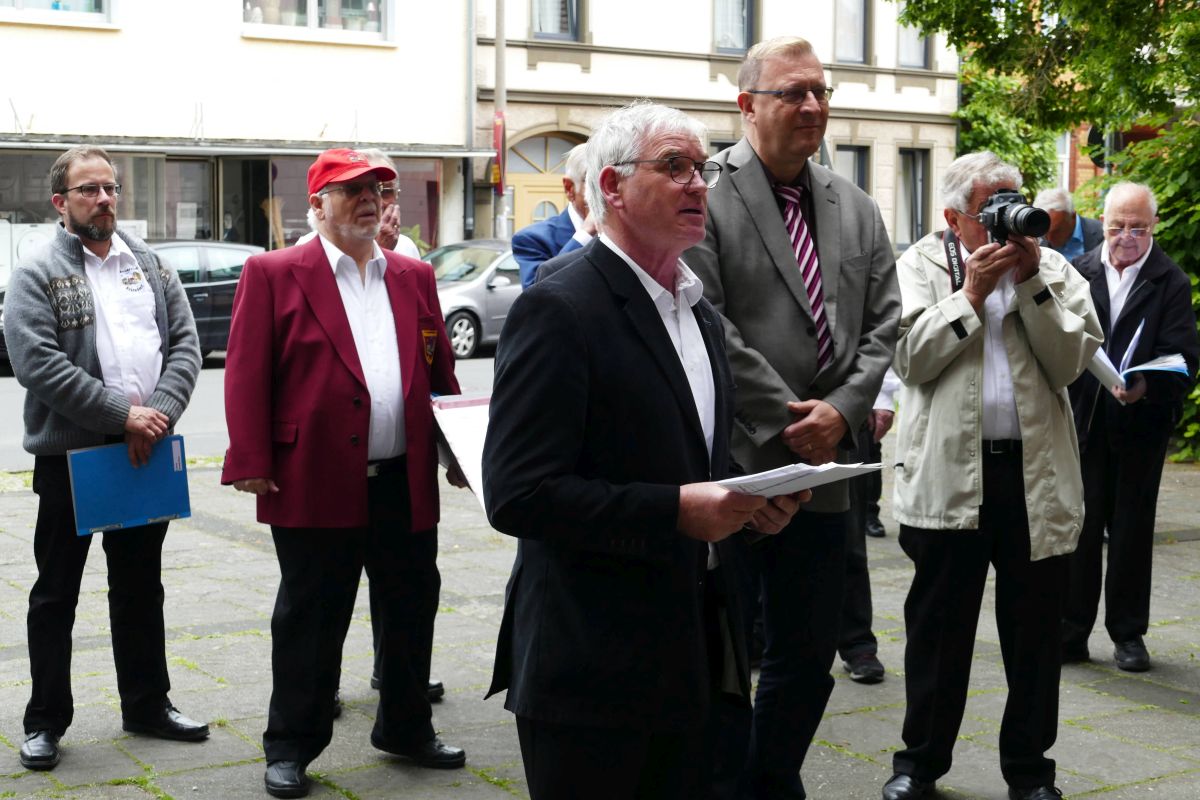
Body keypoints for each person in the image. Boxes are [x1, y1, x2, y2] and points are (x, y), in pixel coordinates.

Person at [483, 101, 802, 800]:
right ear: (612, 186)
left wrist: (750, 503)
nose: (697, 185)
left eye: (703, 169)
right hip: (592, 666)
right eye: (674, 166)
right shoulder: (559, 307)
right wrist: (678, 511)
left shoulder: (700, 312)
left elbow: (694, 465)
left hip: (699, 649)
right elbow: (518, 494)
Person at [686, 36, 900, 799]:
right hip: (737, 464)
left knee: (808, 655)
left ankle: (770, 778)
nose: (812, 106)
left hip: (827, 469)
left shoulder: (856, 205)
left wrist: (840, 412)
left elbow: (885, 321)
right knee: (726, 648)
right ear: (747, 105)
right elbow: (706, 318)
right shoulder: (707, 195)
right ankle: (730, 782)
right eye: (793, 92)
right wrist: (788, 418)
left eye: (820, 91)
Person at [221, 148, 464, 799]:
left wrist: (460, 452)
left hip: (403, 477)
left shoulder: (412, 275)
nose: (369, 200)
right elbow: (246, 371)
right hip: (313, 475)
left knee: (411, 606)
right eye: (352, 190)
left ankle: (406, 728)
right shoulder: (275, 272)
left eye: (377, 190)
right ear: (318, 203)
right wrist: (251, 458)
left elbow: (438, 371)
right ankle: (291, 745)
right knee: (310, 616)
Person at [883, 151, 1103, 800]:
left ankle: (1031, 774)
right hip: (950, 477)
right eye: (992, 208)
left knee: (1035, 640)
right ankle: (918, 766)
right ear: (954, 218)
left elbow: (1070, 363)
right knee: (938, 635)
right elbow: (909, 358)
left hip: (1034, 479)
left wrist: (1031, 284)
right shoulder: (919, 266)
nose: (1010, 220)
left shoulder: (1053, 268)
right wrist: (971, 296)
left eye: (1015, 201)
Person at [5, 146, 207, 771]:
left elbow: (186, 346)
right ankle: (45, 720)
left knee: (141, 587)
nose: (104, 199)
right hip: (72, 459)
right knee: (56, 593)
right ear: (60, 202)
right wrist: (123, 416)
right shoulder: (36, 273)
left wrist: (156, 416)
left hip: (147, 449)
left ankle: (147, 705)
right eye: (89, 190)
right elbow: (38, 364)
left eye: (111, 188)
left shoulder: (149, 264)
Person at [1063, 182, 1200, 672]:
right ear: (1102, 222)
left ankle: (1128, 634)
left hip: (1142, 424)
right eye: (1117, 226)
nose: (1126, 237)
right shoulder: (1077, 272)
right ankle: (1071, 631)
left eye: (1137, 228)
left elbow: (1185, 358)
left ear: (1153, 226)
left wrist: (1145, 384)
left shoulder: (1170, 280)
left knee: (1131, 531)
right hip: (1085, 418)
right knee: (1079, 528)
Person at [837, 366, 900, 684]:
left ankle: (857, 642)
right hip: (766, 413)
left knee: (849, 536)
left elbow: (872, 340)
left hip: (846, 412)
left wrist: (882, 397)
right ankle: (758, 634)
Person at [511, 142, 595, 288]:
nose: (607, 194)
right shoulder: (532, 239)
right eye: (594, 184)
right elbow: (536, 295)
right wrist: (586, 233)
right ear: (569, 188)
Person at [1034, 187, 1104, 262]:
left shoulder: (1102, 233)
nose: (1050, 239)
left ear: (1073, 216)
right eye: (1045, 232)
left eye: (1057, 231)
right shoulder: (1035, 239)